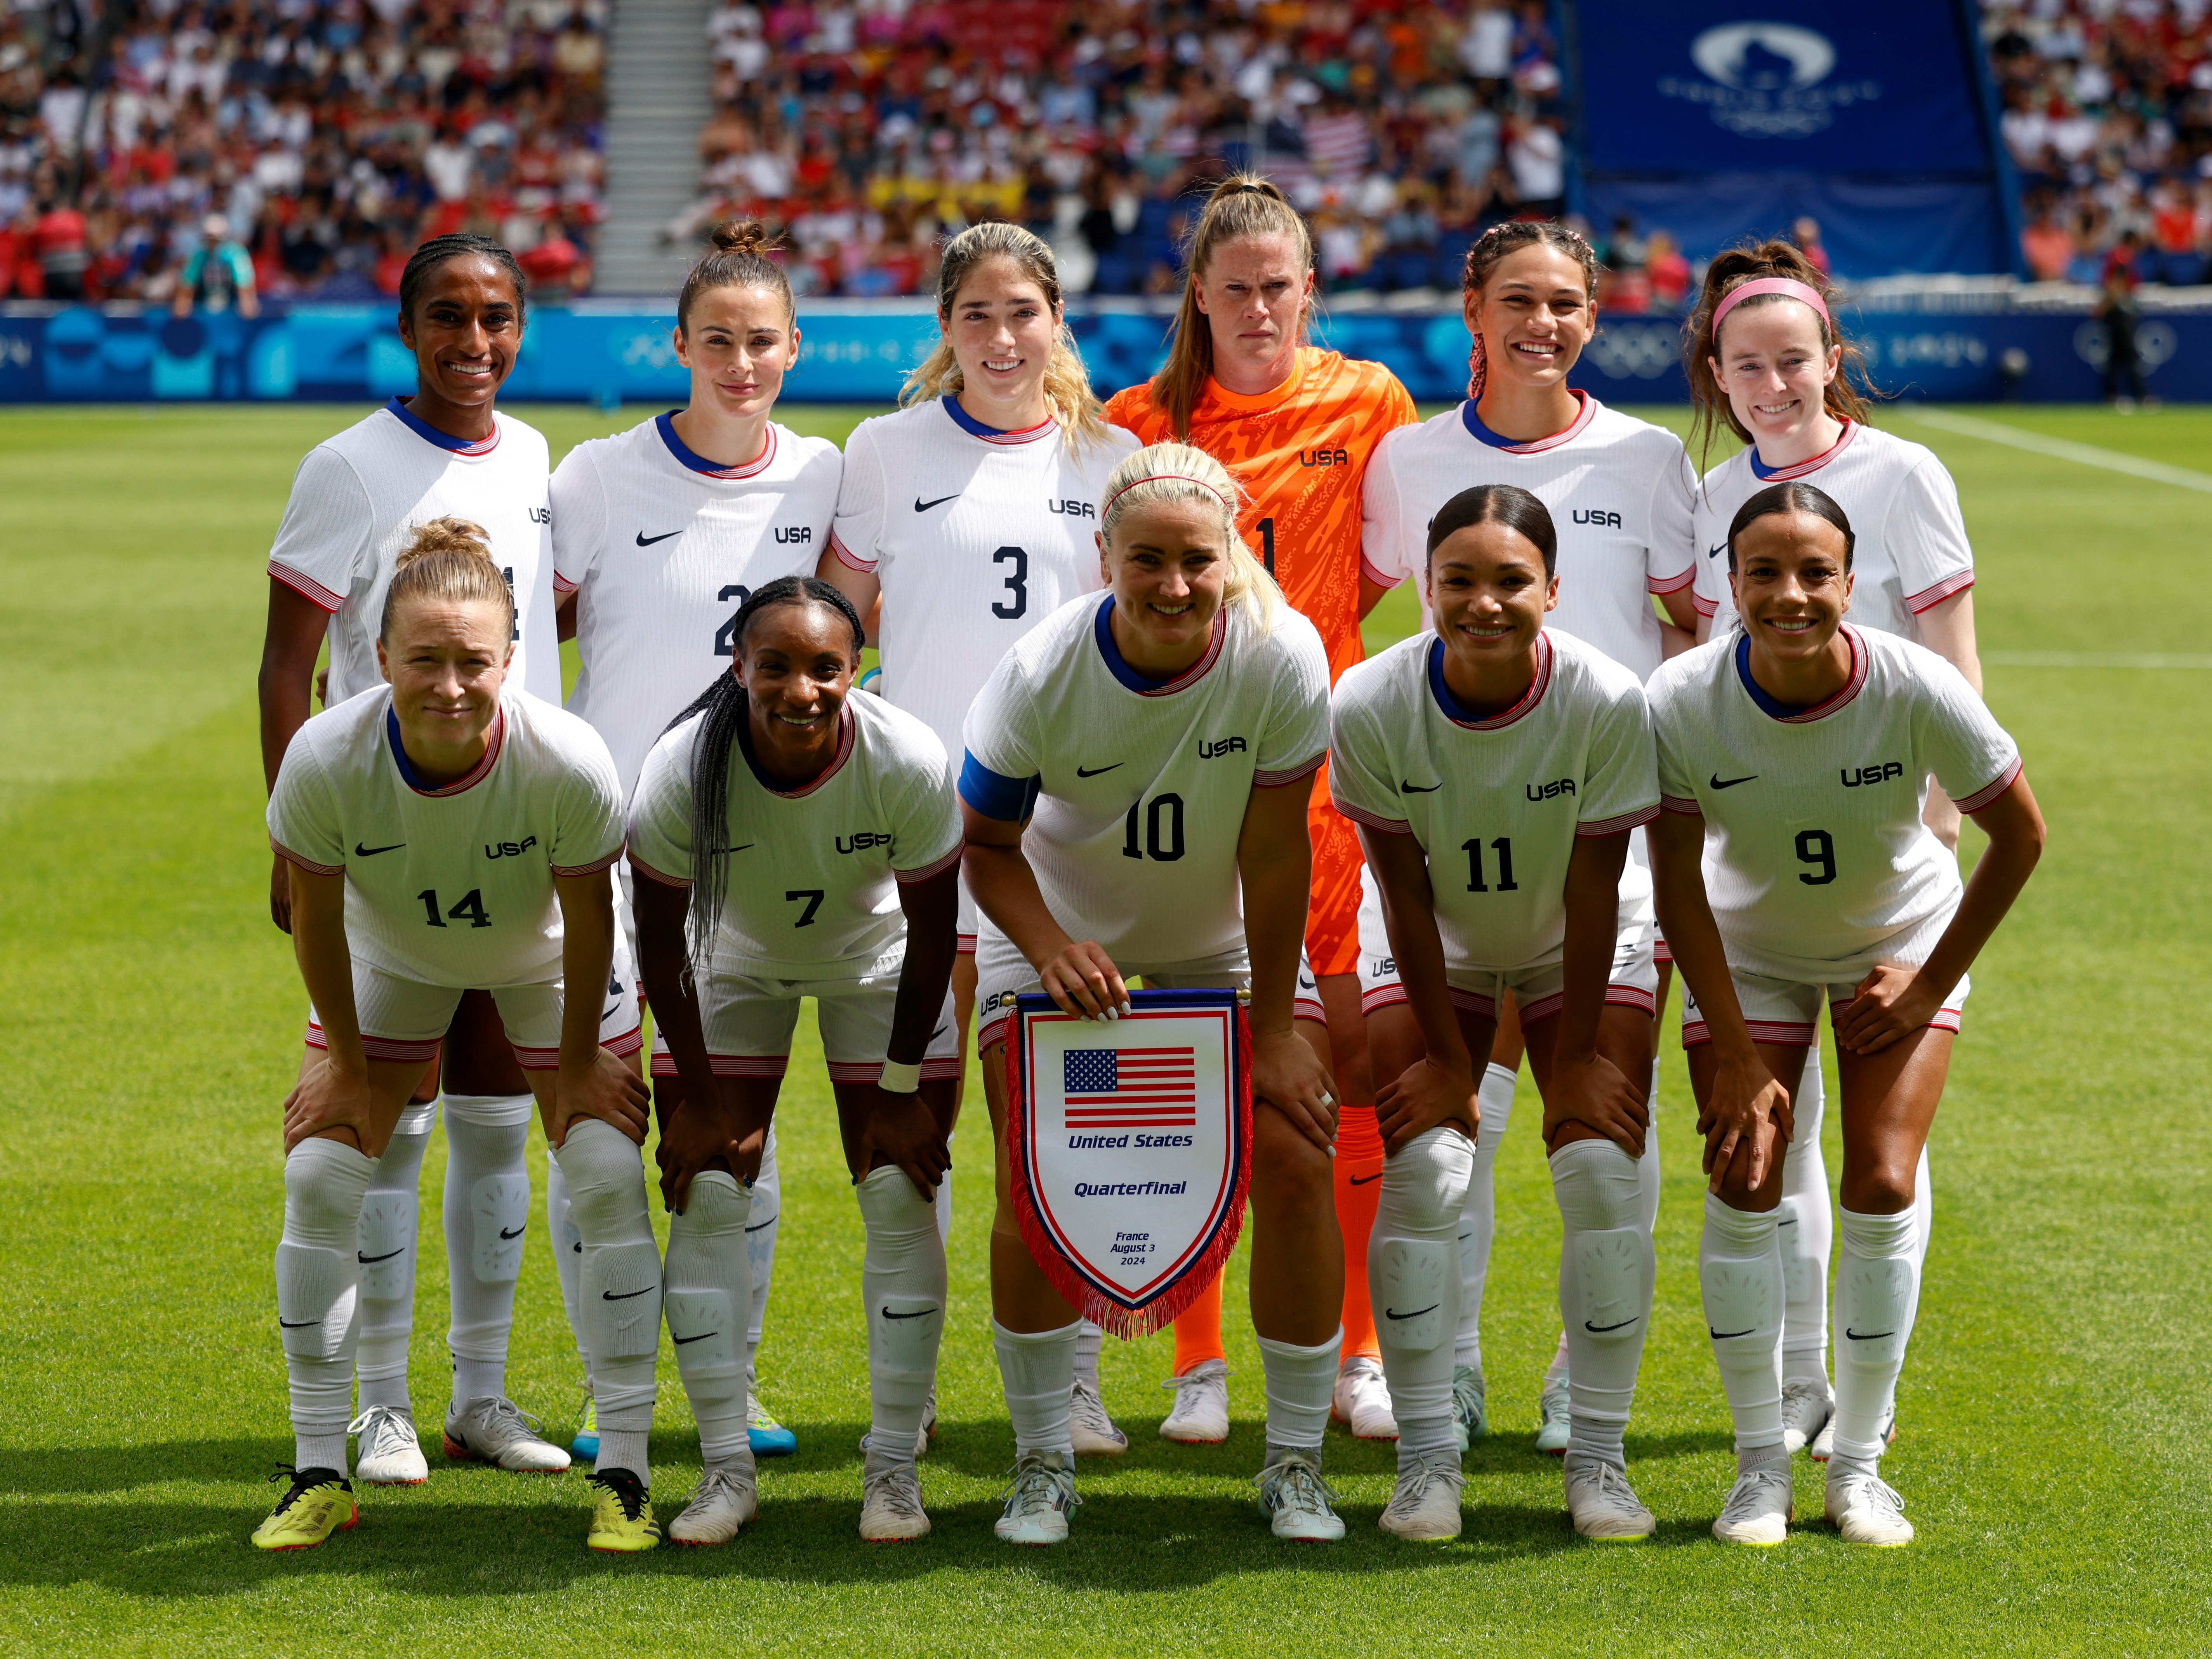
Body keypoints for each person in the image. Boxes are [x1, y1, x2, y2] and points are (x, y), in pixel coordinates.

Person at [961, 443, 1341, 1545]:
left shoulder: (1279, 655)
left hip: (1216, 950)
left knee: (1298, 1155)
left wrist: (1272, 1027)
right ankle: (1040, 1465)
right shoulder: (1039, 671)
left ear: (1231, 556)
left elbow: (1276, 858)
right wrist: (1046, 945)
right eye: (1147, 561)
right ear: (1103, 558)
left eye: (1196, 560)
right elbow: (984, 848)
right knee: (1035, 1177)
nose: (1173, 585)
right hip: (1050, 944)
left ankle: (1297, 1466)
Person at [1649, 481, 2042, 1544]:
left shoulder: (1913, 685)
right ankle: (1756, 1469)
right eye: (1763, 573)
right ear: (1728, 584)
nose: (1789, 593)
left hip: (1895, 942)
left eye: (1814, 572)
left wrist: (1924, 981)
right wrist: (1730, 1046)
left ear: (1850, 583)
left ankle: (1858, 1468)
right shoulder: (1681, 696)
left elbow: (2022, 837)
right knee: (1745, 1173)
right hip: (1750, 950)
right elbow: (1676, 878)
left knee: (1878, 1177)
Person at [1361, 219, 1699, 1454]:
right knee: (1465, 1116)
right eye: (1518, 298)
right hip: (1457, 824)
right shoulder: (1406, 460)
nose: (1541, 323)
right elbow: (1381, 625)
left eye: (1565, 302)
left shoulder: (1651, 454)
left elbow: (1696, 630)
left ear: (1594, 317)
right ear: (1473, 305)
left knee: (1605, 1117)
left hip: (1610, 822)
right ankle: (1448, 1368)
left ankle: (1575, 1371)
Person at [253, 526, 648, 1551]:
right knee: (320, 1180)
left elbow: (592, 920)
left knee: (603, 1168)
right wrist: (342, 1063)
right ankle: (318, 1471)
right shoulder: (324, 757)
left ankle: (629, 1478)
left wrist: (571, 1068)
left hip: (547, 960)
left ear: (511, 659)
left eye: (473, 659)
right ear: (379, 656)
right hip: (393, 958)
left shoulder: (566, 759)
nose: (450, 683)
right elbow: (318, 917)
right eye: (424, 659)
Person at [1100, 175, 1419, 1445]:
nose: (1257, 307)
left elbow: (1388, 570)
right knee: (1191, 1052)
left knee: (1336, 1056)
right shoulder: (1142, 420)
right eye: (1232, 286)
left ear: (1309, 290)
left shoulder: (1368, 401)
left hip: (1325, 770)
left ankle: (1355, 1354)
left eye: (1277, 285)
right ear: (1198, 293)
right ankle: (1195, 1361)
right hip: (1176, 767)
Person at [816, 221, 1140, 1455]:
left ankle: (1072, 1384)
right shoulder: (888, 450)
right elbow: (840, 625)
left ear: (1056, 320)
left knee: (1056, 1120)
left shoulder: (1112, 454)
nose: (1003, 339)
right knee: (919, 1119)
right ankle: (916, 1380)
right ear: (945, 330)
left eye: (1024, 314)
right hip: (917, 831)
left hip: (1065, 842)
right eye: (977, 317)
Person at [259, 234, 571, 1487]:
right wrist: (288, 833)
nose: (475, 340)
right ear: (406, 324)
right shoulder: (347, 465)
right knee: (387, 1123)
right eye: (449, 315)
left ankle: (478, 1396)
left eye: (497, 316)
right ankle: (379, 1404)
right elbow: (287, 660)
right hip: (387, 838)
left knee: (502, 1122)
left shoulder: (539, 455)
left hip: (515, 835)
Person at [1683, 241, 1986, 1461]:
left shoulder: (1904, 472)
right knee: (1774, 1131)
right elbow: (1702, 665)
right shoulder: (1713, 496)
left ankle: (1862, 1395)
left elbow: (1953, 651)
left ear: (1831, 360)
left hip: (1880, 851)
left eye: (1792, 362)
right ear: (1717, 371)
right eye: (1746, 366)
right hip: (1754, 855)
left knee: (1877, 1148)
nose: (1772, 385)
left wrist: (1936, 823)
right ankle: (1804, 1375)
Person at [553, 219, 841, 1463]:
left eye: (760, 342)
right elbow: (525, 628)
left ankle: (738, 1379)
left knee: (737, 1125)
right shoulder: (599, 476)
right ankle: (609, 1384)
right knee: (608, 1130)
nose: (739, 363)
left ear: (794, 348)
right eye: (716, 339)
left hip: (760, 855)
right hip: (617, 851)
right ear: (677, 343)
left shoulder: (825, 474)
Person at [1333, 485, 1663, 1540]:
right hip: (1440, 936)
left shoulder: (1609, 701)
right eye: (1459, 581)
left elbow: (1595, 886)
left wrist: (1572, 1064)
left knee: (1602, 1164)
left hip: (1583, 931)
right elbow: (1403, 888)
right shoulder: (1371, 704)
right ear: (1424, 589)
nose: (1483, 602)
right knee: (1427, 1165)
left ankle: (1600, 1460)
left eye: (1511, 580)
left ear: (1554, 591)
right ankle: (1428, 1458)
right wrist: (1444, 1056)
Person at [629, 577, 964, 1544]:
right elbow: (658, 943)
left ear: (852, 671)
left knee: (900, 1188)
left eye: (825, 667)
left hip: (879, 966)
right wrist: (695, 1099)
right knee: (706, 1186)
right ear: (737, 667)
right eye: (773, 666)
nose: (800, 689)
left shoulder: (903, 757)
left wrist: (900, 1093)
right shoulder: (679, 768)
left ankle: (893, 1471)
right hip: (730, 962)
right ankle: (725, 1470)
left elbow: (936, 934)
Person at [173, 213, 260, 318]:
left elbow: (245, 282)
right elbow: (187, 282)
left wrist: (247, 302)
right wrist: (183, 301)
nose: (213, 242)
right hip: (203, 304)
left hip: (231, 305)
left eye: (216, 238)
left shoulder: (235, 253)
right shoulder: (199, 254)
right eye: (210, 238)